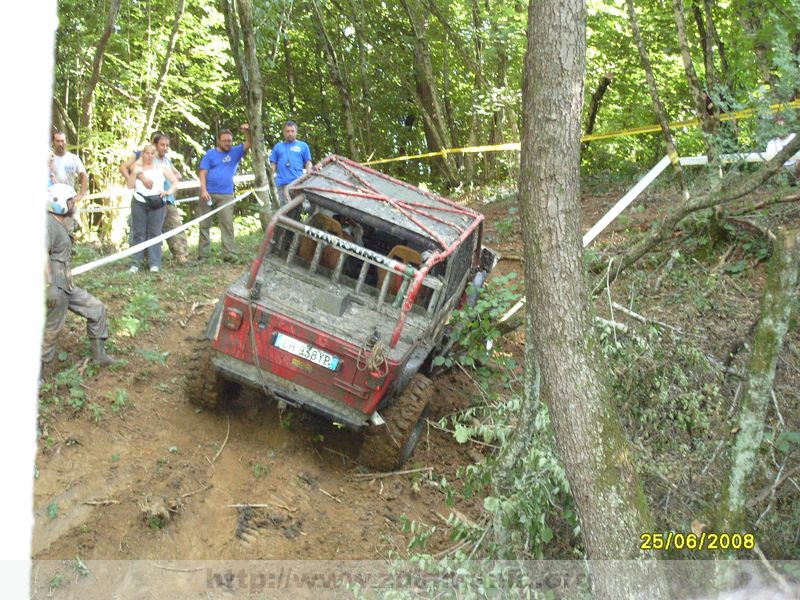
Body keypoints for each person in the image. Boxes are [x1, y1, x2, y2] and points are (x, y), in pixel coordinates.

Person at [42, 184, 116, 376]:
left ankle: (99, 354)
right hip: (56, 287)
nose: (74, 204)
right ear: (60, 203)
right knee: (52, 331)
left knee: (96, 308)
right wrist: (48, 283)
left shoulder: (59, 223)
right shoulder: (47, 224)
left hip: (66, 285)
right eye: (70, 201)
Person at [119, 133, 189, 264]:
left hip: (166, 199)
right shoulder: (141, 156)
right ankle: (142, 260)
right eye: (162, 145)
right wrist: (135, 180)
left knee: (174, 228)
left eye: (167, 145)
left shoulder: (166, 160)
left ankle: (181, 257)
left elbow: (176, 176)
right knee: (142, 231)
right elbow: (126, 167)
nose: (165, 148)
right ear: (154, 145)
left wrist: (170, 186)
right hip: (144, 200)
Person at [198, 124, 252, 262]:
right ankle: (203, 255)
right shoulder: (210, 154)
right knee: (204, 224)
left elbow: (249, 143)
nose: (228, 143)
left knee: (227, 223)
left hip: (226, 194)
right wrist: (203, 190)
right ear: (219, 141)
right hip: (208, 193)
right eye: (225, 141)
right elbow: (203, 172)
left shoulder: (235, 152)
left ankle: (229, 253)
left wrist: (247, 132)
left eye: (229, 140)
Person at [126, 144, 180, 273]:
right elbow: (129, 185)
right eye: (147, 153)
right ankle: (136, 264)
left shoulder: (162, 167)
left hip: (157, 202)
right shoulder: (137, 168)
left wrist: (168, 192)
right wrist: (134, 173)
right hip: (139, 201)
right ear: (143, 154)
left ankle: (154, 263)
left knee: (155, 233)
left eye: (152, 153)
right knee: (138, 233)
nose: (149, 156)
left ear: (155, 155)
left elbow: (175, 182)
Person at [51, 131, 88, 234]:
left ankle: (69, 248)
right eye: (57, 141)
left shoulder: (73, 158)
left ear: (66, 142)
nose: (60, 144)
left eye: (62, 141)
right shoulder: (49, 159)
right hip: (52, 201)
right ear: (53, 142)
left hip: (69, 201)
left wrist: (80, 195)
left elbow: (84, 175)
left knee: (68, 232)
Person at [270, 121, 312, 205]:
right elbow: (273, 165)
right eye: (287, 131)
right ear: (284, 133)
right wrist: (269, 177)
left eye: (292, 131)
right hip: (281, 184)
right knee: (283, 210)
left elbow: (308, 162)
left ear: (296, 132)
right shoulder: (278, 146)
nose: (290, 133)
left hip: (297, 184)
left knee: (297, 209)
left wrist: (309, 174)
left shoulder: (303, 146)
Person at [766, 116, 799, 182]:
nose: (781, 130)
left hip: (796, 167)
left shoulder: (795, 137)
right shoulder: (772, 143)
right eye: (778, 128)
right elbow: (768, 161)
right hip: (780, 169)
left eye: (782, 127)